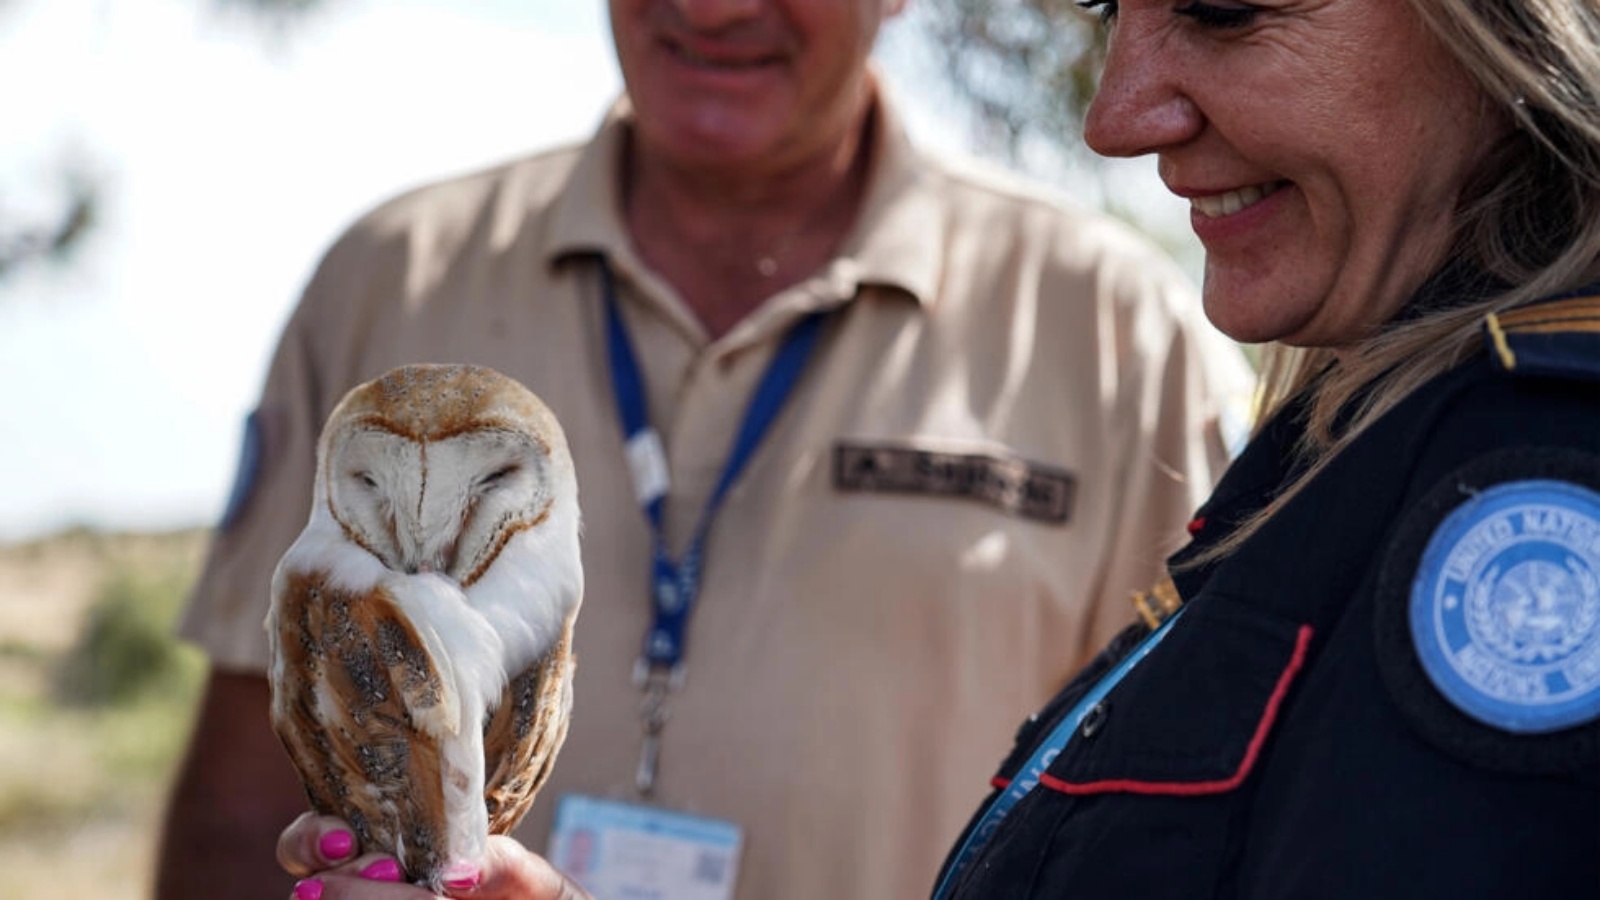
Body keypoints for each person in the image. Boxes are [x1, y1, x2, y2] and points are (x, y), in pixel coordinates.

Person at [154, 0, 1251, 897]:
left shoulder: (1122, 340)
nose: (713, 7)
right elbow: (243, 799)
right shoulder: (392, 280)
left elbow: (1199, 841)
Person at [924, 0, 1600, 897]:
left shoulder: (1536, 474)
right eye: (1106, 7)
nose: (1115, 120)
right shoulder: (1377, 421)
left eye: (1225, 10)